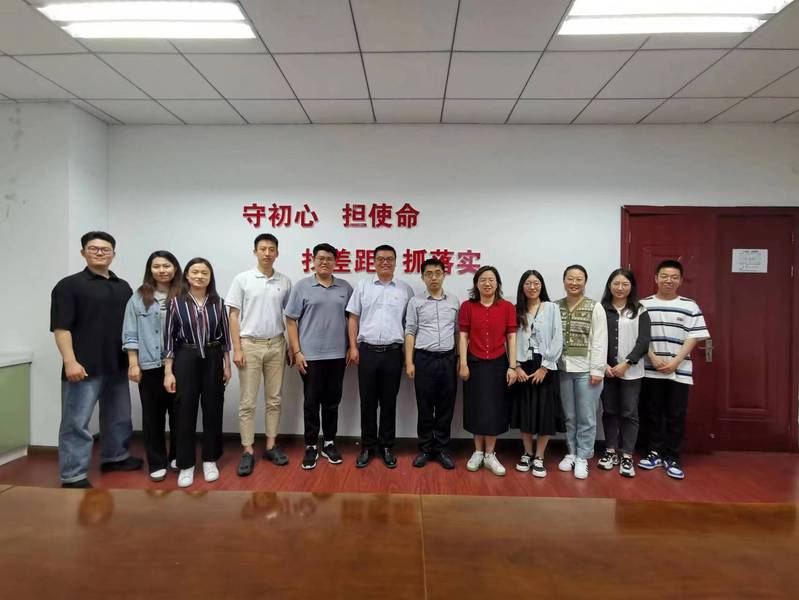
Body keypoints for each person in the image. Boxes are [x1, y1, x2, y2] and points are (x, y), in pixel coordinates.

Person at [51, 231, 143, 488]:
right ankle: (73, 474)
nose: (100, 252)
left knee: (118, 416)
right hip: (83, 365)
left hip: (116, 363)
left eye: (105, 249)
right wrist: (70, 361)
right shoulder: (69, 285)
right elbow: (61, 327)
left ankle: (116, 456)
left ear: (114, 254)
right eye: (93, 248)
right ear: (83, 252)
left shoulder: (122, 286)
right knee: (76, 422)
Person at [227, 233, 292, 476]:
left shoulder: (284, 281)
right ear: (255, 252)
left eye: (271, 249)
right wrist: (237, 348)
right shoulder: (242, 279)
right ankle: (247, 450)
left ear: (277, 253)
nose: (267, 253)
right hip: (250, 345)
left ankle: (271, 445)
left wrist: (291, 346)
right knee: (248, 401)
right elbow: (233, 315)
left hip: (276, 344)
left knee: (274, 399)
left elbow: (290, 317)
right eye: (262, 248)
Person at [638, 260, 710, 480]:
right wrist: (652, 356)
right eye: (664, 276)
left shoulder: (690, 306)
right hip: (650, 369)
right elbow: (640, 336)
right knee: (652, 413)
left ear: (680, 280)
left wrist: (676, 361)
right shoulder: (643, 304)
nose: (668, 280)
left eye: (674, 277)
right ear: (656, 278)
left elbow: (695, 336)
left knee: (675, 415)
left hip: (680, 371)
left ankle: (673, 457)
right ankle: (654, 453)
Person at [284, 243, 353, 470]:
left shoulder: (345, 287)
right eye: (320, 258)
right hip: (310, 356)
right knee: (311, 402)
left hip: (337, 355)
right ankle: (311, 445)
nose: (325, 262)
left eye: (329, 259)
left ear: (335, 262)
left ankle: (330, 443)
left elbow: (352, 319)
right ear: (313, 261)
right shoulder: (302, 287)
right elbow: (291, 320)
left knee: (332, 402)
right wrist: (297, 351)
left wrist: (351, 346)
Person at [163, 258, 231, 488]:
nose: (200, 276)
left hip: (213, 357)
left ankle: (210, 460)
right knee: (184, 411)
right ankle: (186, 464)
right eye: (195, 272)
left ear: (210, 277)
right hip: (185, 357)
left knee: (213, 408)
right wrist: (168, 372)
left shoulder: (218, 303)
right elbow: (169, 340)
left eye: (204, 272)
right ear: (187, 276)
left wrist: (227, 365)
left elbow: (225, 338)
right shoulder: (176, 303)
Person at [346, 244, 414, 468]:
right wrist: (353, 347)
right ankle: (367, 446)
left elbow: (409, 325)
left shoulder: (405, 289)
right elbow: (353, 318)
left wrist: (408, 355)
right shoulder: (363, 286)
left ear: (395, 262)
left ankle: (386, 446)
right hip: (367, 352)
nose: (385, 262)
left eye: (389, 259)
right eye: (380, 259)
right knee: (367, 402)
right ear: (373, 262)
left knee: (388, 402)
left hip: (393, 353)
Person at [122, 251, 182, 482]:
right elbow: (130, 333)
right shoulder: (138, 298)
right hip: (149, 365)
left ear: (175, 268)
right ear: (150, 270)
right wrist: (133, 364)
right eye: (156, 266)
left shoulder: (184, 295)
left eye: (166, 266)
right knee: (152, 417)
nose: (162, 270)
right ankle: (157, 462)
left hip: (180, 365)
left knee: (180, 414)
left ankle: (178, 456)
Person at [458, 266, 517, 476]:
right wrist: (463, 363)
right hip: (474, 362)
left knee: (494, 409)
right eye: (483, 279)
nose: (487, 283)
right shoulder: (467, 306)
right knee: (475, 407)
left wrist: (512, 366)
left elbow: (511, 336)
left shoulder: (507, 307)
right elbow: (463, 335)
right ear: (476, 283)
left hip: (498, 363)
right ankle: (477, 452)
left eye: (491, 279)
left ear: (497, 283)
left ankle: (490, 454)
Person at [405, 257, 460, 470]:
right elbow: (410, 331)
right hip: (424, 359)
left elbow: (458, 332)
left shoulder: (454, 301)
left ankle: (443, 449)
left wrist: (459, 359)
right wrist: (409, 362)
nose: (433, 277)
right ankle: (426, 449)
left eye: (437, 273)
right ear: (423, 277)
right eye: (429, 274)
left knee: (446, 406)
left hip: (448, 359)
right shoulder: (415, 302)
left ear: (444, 275)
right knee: (425, 406)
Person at [508, 270, 563, 478]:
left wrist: (545, 367)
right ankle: (527, 453)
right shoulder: (516, 310)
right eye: (528, 283)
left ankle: (539, 456)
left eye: (536, 283)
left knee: (545, 412)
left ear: (542, 285)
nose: (532, 287)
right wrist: (517, 366)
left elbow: (558, 337)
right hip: (523, 365)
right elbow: (510, 339)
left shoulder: (552, 308)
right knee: (525, 411)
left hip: (545, 366)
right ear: (522, 287)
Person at [597, 269, 650, 478]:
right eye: (616, 284)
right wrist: (604, 365)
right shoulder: (601, 309)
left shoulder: (640, 309)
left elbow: (644, 341)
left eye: (625, 284)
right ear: (609, 285)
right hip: (607, 371)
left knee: (629, 412)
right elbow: (595, 339)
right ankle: (610, 451)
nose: (620, 288)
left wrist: (626, 363)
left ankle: (627, 455)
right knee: (609, 410)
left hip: (632, 371)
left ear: (631, 287)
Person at [556, 265, 608, 480]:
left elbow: (600, 340)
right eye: (570, 278)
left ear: (585, 282)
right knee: (570, 416)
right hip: (563, 369)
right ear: (564, 281)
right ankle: (571, 452)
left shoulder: (595, 307)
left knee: (586, 417)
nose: (574, 283)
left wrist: (597, 369)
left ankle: (583, 457)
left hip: (587, 371)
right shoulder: (555, 306)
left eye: (579, 279)